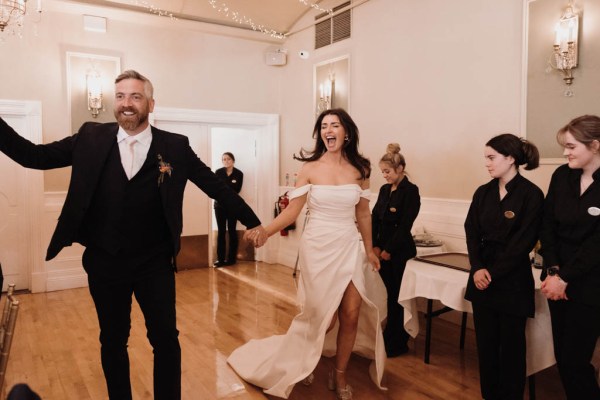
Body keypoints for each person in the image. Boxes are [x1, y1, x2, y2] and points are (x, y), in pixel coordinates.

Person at [0, 70, 266, 400]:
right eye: (122, 96)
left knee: (166, 338)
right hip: (104, 261)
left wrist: (254, 222)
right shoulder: (90, 136)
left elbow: (217, 188)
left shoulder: (175, 146)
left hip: (154, 262)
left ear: (151, 104)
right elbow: (34, 156)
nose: (127, 104)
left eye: (136, 97)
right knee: (112, 340)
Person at [228, 108, 387, 400]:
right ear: (320, 134)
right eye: (324, 126)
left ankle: (338, 374)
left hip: (349, 244)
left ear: (346, 132)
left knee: (350, 314)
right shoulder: (310, 168)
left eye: (334, 125)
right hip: (318, 247)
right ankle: (304, 358)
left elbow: (364, 214)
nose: (328, 130)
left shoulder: (361, 169)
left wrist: (369, 248)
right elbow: (292, 211)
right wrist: (265, 231)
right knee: (323, 317)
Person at [464, 133, 544, 400]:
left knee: (511, 348)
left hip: (512, 281)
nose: (486, 163)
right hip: (481, 277)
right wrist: (477, 267)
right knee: (486, 347)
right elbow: (471, 231)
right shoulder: (482, 192)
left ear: (510, 158)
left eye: (491, 157)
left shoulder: (531, 195)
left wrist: (492, 273)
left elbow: (523, 242)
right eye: (486, 158)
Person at [539, 115, 600, 399]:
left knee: (576, 360)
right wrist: (553, 271)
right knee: (563, 357)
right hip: (557, 278)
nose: (565, 152)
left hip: (590, 284)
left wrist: (565, 277)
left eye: (572, 146)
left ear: (595, 145)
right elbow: (547, 225)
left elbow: (597, 244)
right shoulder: (561, 176)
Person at [371, 143, 420, 357]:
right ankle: (386, 334)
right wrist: (374, 244)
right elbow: (374, 218)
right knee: (387, 295)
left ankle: (398, 342)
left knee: (397, 298)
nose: (385, 175)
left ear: (400, 169)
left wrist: (389, 249)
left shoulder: (411, 191)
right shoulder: (384, 190)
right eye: (382, 172)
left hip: (400, 253)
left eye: (387, 171)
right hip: (381, 251)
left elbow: (405, 225)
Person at [213, 152, 244, 267]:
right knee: (221, 231)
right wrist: (227, 190)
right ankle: (220, 259)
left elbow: (237, 190)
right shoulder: (218, 172)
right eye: (224, 159)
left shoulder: (239, 174)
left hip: (232, 206)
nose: (226, 161)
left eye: (228, 159)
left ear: (233, 161)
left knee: (232, 230)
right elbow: (216, 188)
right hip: (219, 206)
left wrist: (225, 190)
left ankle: (231, 259)